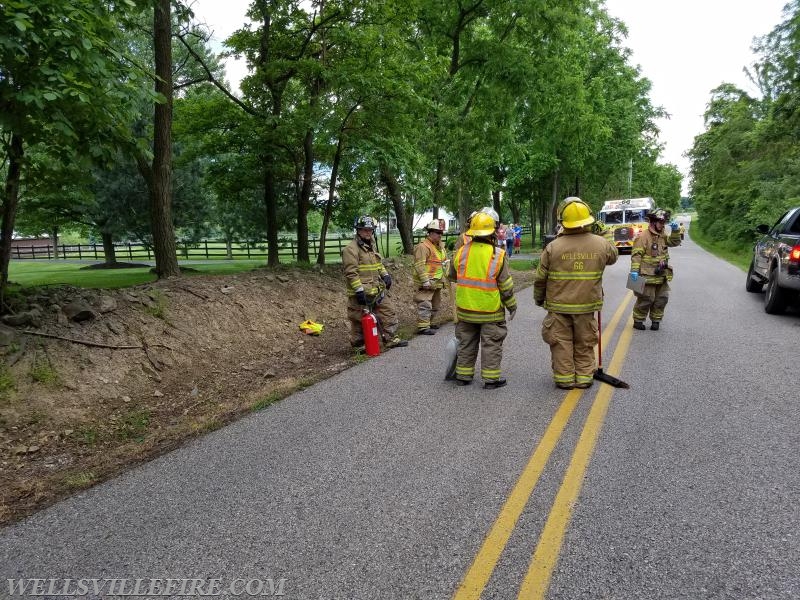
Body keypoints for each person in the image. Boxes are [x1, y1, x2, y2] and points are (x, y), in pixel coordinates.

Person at [533, 197, 618, 390]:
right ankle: (584, 378)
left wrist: (539, 299)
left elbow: (540, 278)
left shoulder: (553, 247)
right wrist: (604, 232)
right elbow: (613, 256)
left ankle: (565, 380)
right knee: (585, 342)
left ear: (563, 222)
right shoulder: (601, 244)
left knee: (561, 343)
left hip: (558, 306)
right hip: (587, 306)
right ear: (589, 220)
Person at [448, 212, 516, 389]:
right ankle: (491, 380)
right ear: (492, 233)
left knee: (466, 343)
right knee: (491, 344)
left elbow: (453, 276)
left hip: (465, 310)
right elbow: (506, 286)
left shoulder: (461, 252)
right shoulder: (498, 255)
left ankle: (463, 376)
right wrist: (512, 306)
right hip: (490, 312)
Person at [343, 215, 408, 349]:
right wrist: (359, 290)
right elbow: (351, 272)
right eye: (365, 229)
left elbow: (378, 264)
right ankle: (359, 346)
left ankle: (390, 338)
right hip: (360, 292)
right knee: (359, 319)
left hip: (376, 290)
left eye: (370, 230)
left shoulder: (371, 245)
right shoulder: (351, 249)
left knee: (388, 311)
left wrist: (385, 276)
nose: (368, 232)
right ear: (358, 230)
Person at [629, 208, 682, 331]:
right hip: (646, 276)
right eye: (660, 222)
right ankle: (638, 321)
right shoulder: (643, 236)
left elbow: (674, 242)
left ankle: (656, 321)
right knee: (646, 299)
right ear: (653, 221)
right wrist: (634, 272)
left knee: (661, 299)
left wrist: (675, 231)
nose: (662, 224)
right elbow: (636, 255)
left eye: (664, 222)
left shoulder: (662, 235)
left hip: (661, 275)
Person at [412, 219, 448, 335]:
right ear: (430, 232)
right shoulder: (423, 247)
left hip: (436, 281)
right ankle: (423, 327)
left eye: (441, 233)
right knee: (425, 303)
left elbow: (442, 263)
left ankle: (428, 323)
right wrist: (425, 280)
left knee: (435, 304)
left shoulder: (439, 247)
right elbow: (419, 265)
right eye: (438, 232)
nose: (440, 235)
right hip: (427, 282)